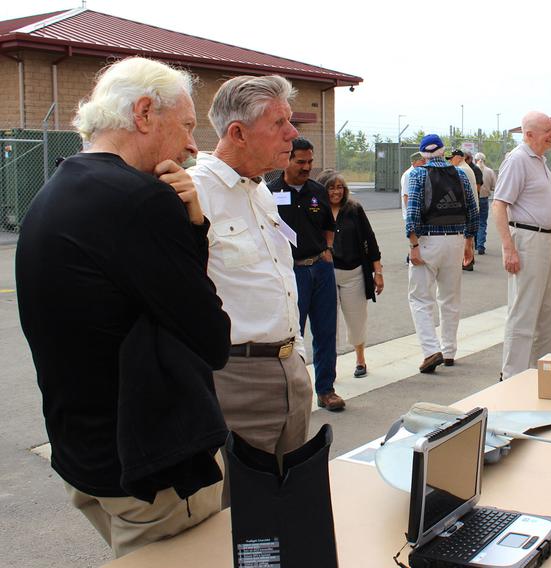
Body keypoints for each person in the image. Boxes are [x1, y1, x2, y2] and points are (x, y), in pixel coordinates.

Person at [16, 57, 231, 558]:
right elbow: (211, 336)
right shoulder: (141, 202)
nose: (192, 145)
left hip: (86, 457)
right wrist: (194, 224)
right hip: (152, 468)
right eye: (184, 125)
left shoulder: (54, 191)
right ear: (142, 113)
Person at [189, 75, 315, 468]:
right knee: (237, 512)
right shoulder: (195, 193)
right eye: (279, 123)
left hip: (289, 366)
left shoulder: (258, 189)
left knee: (288, 498)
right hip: (235, 379)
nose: (291, 134)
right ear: (238, 133)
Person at [267, 138, 345, 411]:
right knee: (293, 334)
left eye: (310, 161)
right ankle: (295, 393)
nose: (307, 167)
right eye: (300, 161)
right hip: (291, 272)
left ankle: (326, 390)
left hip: (321, 269)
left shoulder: (317, 191)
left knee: (325, 332)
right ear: (287, 160)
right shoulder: (269, 192)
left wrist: (328, 250)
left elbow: (328, 225)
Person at [492, 111, 551, 379]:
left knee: (545, 313)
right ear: (529, 134)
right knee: (523, 313)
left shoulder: (539, 161)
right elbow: (499, 205)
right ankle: (512, 377)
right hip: (528, 240)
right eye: (547, 130)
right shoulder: (518, 160)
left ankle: (537, 375)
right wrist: (508, 248)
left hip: (546, 239)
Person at [406, 134, 478, 373]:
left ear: (423, 154)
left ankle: (430, 350)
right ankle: (449, 351)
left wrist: (413, 244)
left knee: (420, 299)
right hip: (455, 241)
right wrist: (469, 242)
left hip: (427, 242)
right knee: (450, 298)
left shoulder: (418, 174)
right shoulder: (459, 174)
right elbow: (472, 209)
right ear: (443, 151)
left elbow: (413, 210)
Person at [318, 170, 383, 378]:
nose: (336, 192)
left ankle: (360, 360)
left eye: (340, 187)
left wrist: (378, 271)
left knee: (356, 319)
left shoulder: (354, 210)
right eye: (331, 187)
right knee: (327, 324)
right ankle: (329, 366)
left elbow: (370, 240)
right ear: (323, 188)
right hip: (326, 274)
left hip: (353, 273)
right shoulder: (316, 210)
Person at [474, 152, 497, 255]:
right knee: (482, 223)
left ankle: (473, 243)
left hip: (474, 199)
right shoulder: (490, 171)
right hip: (484, 199)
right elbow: (494, 186)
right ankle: (480, 245)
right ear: (485, 160)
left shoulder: (472, 171)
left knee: (473, 222)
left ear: (475, 160)